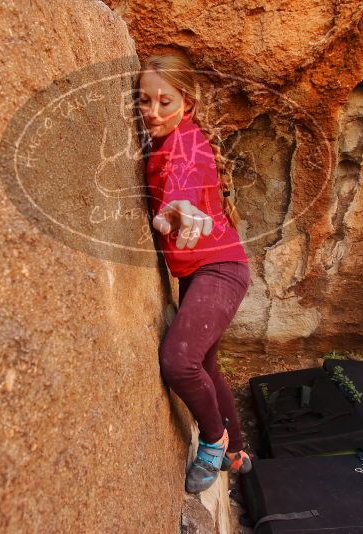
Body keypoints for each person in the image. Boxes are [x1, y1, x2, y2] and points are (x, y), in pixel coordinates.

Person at [136, 54, 253, 493]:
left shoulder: (187, 142)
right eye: (144, 100)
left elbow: (185, 178)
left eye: (165, 101)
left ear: (188, 102)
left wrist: (179, 205)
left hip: (219, 270)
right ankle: (238, 449)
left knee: (179, 362)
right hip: (202, 271)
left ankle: (213, 440)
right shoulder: (164, 140)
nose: (153, 111)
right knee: (205, 362)